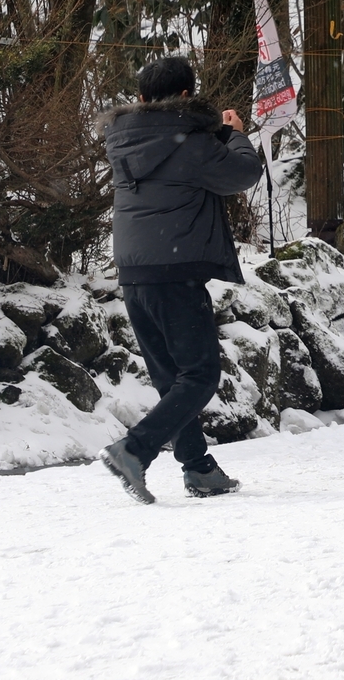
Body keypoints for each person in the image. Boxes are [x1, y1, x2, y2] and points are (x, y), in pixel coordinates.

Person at [97, 56, 262, 504]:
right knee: (201, 374)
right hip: (176, 272)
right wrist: (235, 133)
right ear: (187, 95)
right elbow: (242, 174)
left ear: (142, 99)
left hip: (134, 273)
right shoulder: (189, 142)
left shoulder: (124, 140)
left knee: (173, 377)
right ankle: (134, 450)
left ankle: (200, 468)